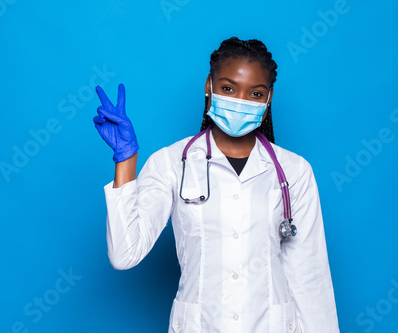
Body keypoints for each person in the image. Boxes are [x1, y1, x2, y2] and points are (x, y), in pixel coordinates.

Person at [93, 37, 339, 333]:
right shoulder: (171, 162)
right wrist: (126, 160)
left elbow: (310, 278)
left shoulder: (294, 171)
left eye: (255, 93)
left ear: (269, 97)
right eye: (228, 88)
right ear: (208, 85)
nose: (240, 101)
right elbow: (124, 254)